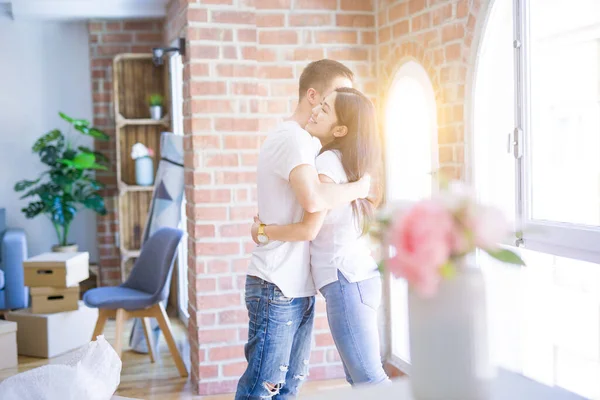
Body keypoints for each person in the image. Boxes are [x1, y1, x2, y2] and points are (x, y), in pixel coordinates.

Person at [235, 60, 372, 400]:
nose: (341, 100)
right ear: (313, 96)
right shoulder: (293, 139)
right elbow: (313, 201)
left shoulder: (312, 145)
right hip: (277, 285)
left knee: (286, 389)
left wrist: (265, 229)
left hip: (296, 286)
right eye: (334, 95)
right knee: (261, 389)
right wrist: (362, 187)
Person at [251, 87, 389, 387]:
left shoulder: (327, 163)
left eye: (325, 109)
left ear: (340, 129)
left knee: (369, 379)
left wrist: (263, 231)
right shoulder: (347, 162)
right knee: (361, 378)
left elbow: (309, 227)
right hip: (354, 280)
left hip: (345, 281)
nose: (315, 110)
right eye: (320, 103)